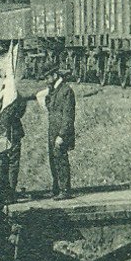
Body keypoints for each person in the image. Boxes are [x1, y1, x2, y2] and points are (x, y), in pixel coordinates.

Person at [44, 70, 76, 200]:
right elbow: (50, 107)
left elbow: (68, 115)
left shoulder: (66, 91)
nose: (46, 80)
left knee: (61, 160)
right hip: (53, 131)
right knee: (53, 160)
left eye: (47, 77)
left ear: (55, 76)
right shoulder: (54, 90)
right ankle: (56, 188)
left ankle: (65, 190)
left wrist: (62, 135)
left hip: (62, 132)